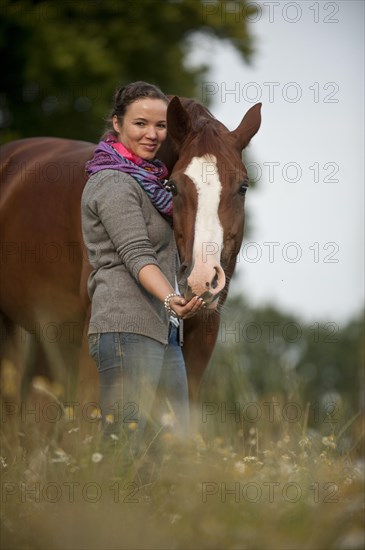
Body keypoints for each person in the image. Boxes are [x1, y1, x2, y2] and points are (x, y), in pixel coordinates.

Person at [81, 81, 204, 456]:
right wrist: (171, 297)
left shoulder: (156, 183)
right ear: (117, 124)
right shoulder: (113, 182)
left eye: (161, 126)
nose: (152, 134)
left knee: (169, 446)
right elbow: (137, 254)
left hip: (164, 331)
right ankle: (106, 514)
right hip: (125, 329)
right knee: (124, 449)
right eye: (140, 124)